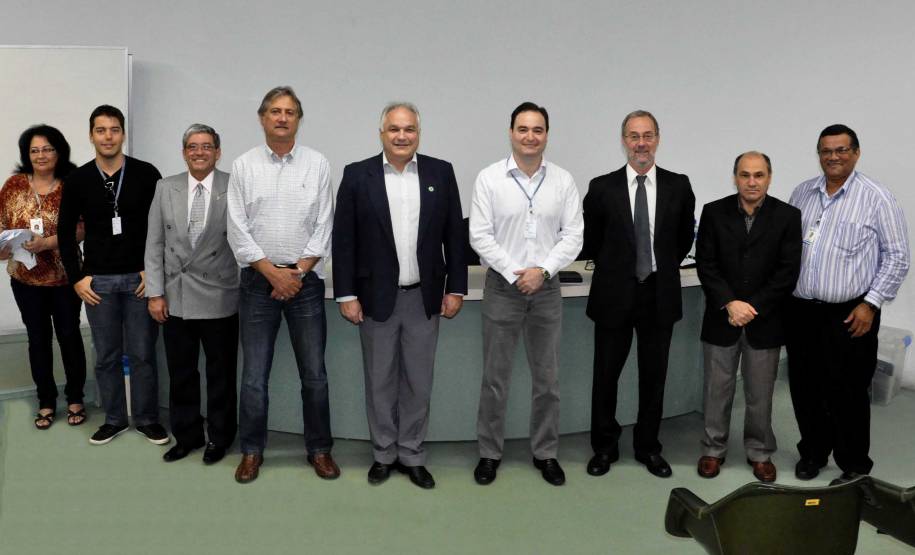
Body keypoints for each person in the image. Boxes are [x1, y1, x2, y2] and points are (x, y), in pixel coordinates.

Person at [333, 102, 466, 489]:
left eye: (409, 129)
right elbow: (344, 241)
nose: (402, 136)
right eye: (394, 129)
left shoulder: (440, 172)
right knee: (379, 380)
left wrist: (455, 287)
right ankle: (383, 454)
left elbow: (454, 237)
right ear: (382, 134)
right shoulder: (358, 175)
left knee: (418, 381)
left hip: (424, 298)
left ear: (418, 134)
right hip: (375, 298)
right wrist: (346, 294)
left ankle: (411, 453)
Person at [227, 86, 338, 483]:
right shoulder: (243, 166)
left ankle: (320, 450)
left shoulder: (318, 164)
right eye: (275, 111)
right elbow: (237, 229)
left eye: (290, 112)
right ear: (262, 118)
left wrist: (297, 273)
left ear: (298, 119)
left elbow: (324, 225)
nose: (282, 117)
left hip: (304, 284)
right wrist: (273, 273)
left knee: (315, 375)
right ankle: (252, 451)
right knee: (254, 375)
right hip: (258, 283)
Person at [469, 102, 583, 486]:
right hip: (503, 288)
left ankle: (545, 452)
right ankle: (489, 453)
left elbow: (574, 235)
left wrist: (543, 271)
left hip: (547, 289)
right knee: (495, 378)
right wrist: (516, 273)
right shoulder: (489, 179)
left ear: (546, 135)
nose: (530, 136)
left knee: (547, 380)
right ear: (511, 132)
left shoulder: (563, 181)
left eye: (537, 130)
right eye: (523, 129)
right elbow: (480, 236)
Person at [787, 124, 909, 481]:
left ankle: (854, 464)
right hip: (802, 311)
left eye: (841, 150)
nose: (834, 157)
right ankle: (812, 452)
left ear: (856, 153)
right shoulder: (802, 193)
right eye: (827, 151)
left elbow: (898, 256)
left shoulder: (877, 197)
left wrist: (870, 304)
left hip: (851, 313)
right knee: (805, 388)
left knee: (848, 392)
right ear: (819, 154)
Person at [582, 110, 695, 478]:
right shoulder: (602, 188)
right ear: (623, 141)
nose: (640, 143)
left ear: (658, 139)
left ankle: (648, 447)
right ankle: (604, 447)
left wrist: (655, 268)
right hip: (614, 295)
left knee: (654, 377)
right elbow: (592, 242)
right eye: (633, 136)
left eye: (647, 135)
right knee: (605, 377)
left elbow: (680, 241)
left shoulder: (679, 185)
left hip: (658, 296)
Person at [58, 105, 168, 446]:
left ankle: (148, 419)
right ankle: (115, 419)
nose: (108, 136)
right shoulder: (77, 180)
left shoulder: (147, 174)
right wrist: (77, 277)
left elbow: (161, 227)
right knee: (105, 355)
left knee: (142, 354)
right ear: (90, 135)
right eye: (101, 130)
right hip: (98, 284)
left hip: (139, 280)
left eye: (115, 129)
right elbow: (64, 232)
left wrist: (154, 271)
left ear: (123, 133)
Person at [694, 151, 802, 482]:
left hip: (764, 321)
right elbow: (706, 264)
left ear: (769, 177)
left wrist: (751, 307)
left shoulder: (787, 216)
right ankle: (713, 449)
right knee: (717, 389)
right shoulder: (714, 212)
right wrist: (730, 303)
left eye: (758, 175)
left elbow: (787, 271)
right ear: (735, 177)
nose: (751, 181)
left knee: (760, 393)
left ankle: (759, 452)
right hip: (722, 318)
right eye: (744, 175)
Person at [145, 124, 239, 464]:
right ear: (184, 152)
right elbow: (154, 244)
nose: (199, 152)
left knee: (221, 374)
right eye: (192, 147)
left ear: (218, 151)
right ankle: (186, 436)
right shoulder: (165, 187)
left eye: (206, 146)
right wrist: (155, 293)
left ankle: (220, 438)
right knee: (181, 373)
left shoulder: (235, 185)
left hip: (220, 294)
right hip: (176, 295)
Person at [0, 125, 87, 429]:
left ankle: (75, 398)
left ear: (59, 151)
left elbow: (83, 228)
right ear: (27, 154)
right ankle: (46, 401)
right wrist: (3, 247)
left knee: (69, 336)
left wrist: (48, 243)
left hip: (66, 278)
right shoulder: (13, 186)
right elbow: (1, 227)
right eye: (34, 150)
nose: (40, 155)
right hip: (26, 279)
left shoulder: (73, 183)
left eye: (47, 149)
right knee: (38, 340)